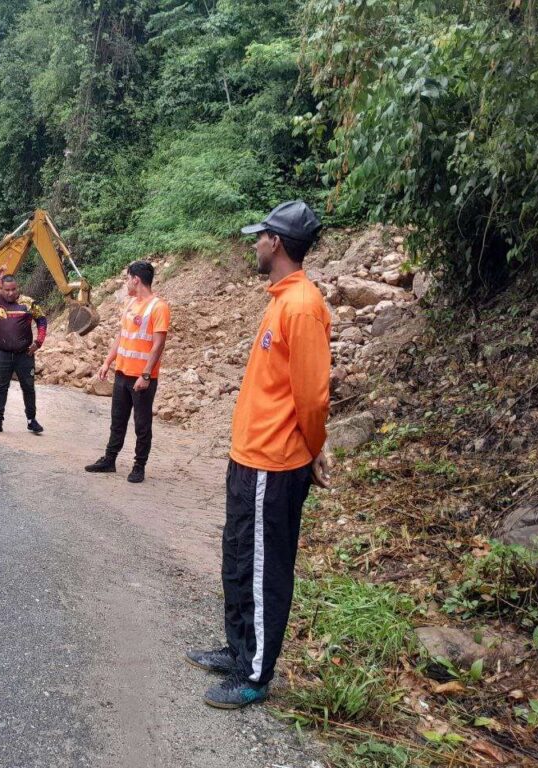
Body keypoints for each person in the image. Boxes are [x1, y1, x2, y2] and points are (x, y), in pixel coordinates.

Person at [186, 200, 331, 710]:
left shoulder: (303, 306)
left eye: (261, 236)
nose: (255, 244)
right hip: (249, 458)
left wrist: (314, 448)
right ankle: (237, 649)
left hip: (276, 463)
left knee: (266, 572)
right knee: (239, 559)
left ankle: (256, 674)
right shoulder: (281, 299)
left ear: (278, 243)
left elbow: (312, 398)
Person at [84, 261, 170, 483]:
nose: (126, 283)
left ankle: (139, 466)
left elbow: (158, 345)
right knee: (117, 420)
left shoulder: (158, 307)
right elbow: (121, 336)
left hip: (142, 378)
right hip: (122, 373)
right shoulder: (130, 303)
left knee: (142, 424)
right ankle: (109, 459)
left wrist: (146, 374)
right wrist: (107, 362)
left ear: (136, 280)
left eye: (127, 278)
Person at [0, 266, 48, 434]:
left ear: (17, 287)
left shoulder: (28, 303)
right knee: (1, 387)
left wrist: (38, 342)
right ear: (1, 288)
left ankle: (31, 420)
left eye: (13, 289)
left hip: (24, 355)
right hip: (3, 354)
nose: (10, 293)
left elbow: (42, 320)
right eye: (7, 290)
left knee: (28, 387)